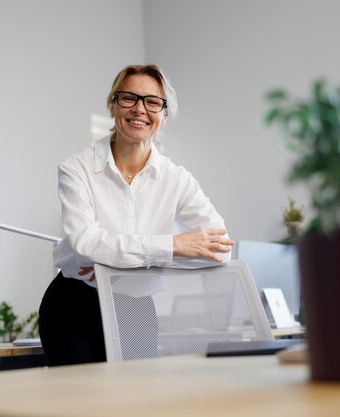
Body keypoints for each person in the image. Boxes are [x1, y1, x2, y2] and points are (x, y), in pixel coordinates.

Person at [38, 64, 234, 366]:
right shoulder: (76, 169)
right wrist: (172, 245)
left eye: (153, 102)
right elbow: (85, 244)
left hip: (136, 308)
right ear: (113, 105)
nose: (140, 109)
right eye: (129, 98)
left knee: (133, 403)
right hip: (75, 304)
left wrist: (118, 259)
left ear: (164, 115)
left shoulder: (176, 179)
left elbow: (221, 250)